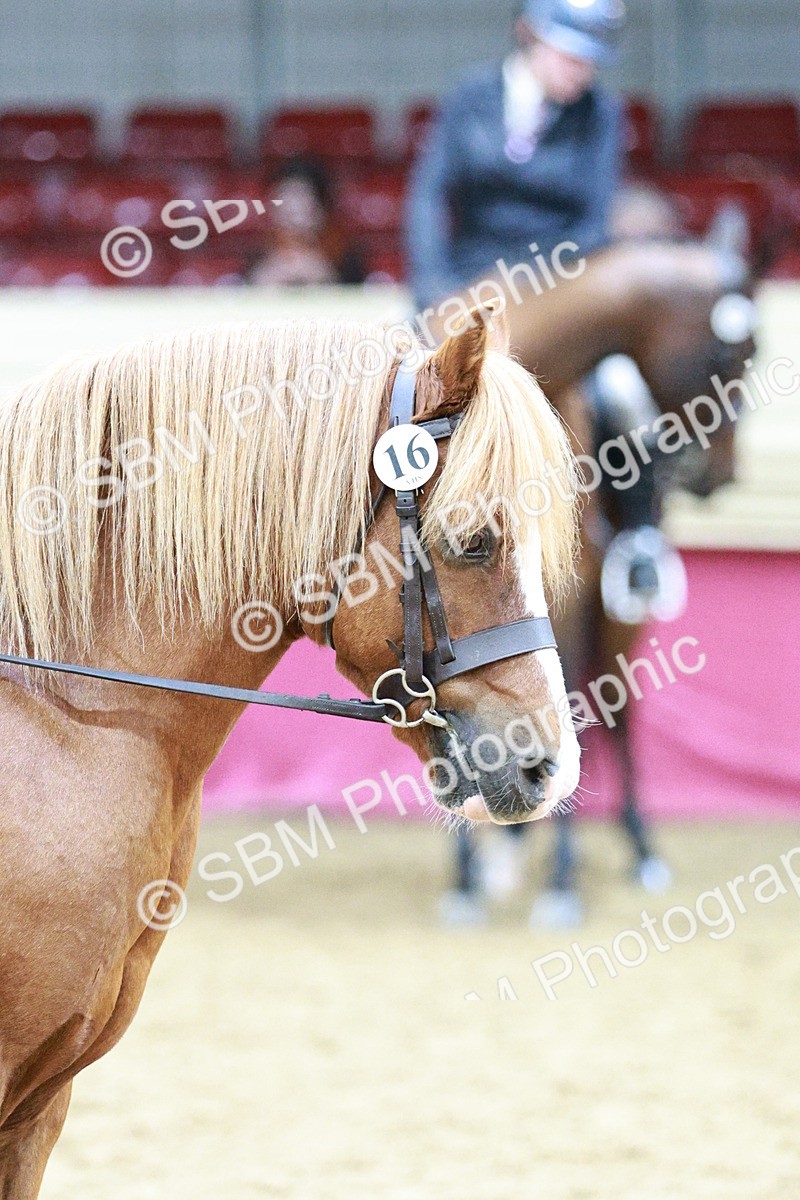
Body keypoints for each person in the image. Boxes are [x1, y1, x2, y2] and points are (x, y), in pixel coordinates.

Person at [406, 0, 626, 312]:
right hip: (468, 279)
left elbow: (594, 224)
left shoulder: (600, 115)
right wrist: (432, 284)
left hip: (556, 285)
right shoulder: (470, 96)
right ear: (529, 33)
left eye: (591, 61)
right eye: (570, 56)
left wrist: (526, 284)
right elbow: (428, 196)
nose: (582, 72)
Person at [251, 158, 365, 286]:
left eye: (299, 199)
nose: (290, 209)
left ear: (320, 208)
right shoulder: (260, 253)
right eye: (281, 199)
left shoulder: (344, 255)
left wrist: (324, 278)